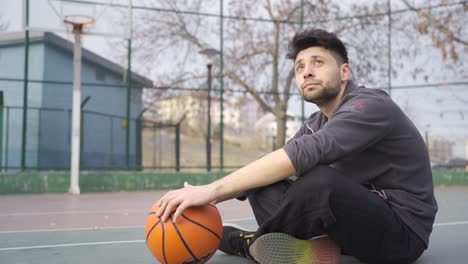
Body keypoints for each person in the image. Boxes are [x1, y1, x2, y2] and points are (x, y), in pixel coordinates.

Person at [155, 28, 438, 264]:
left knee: (321, 182)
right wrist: (209, 196)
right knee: (264, 181)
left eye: (318, 62)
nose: (306, 72)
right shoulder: (316, 121)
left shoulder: (371, 105)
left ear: (344, 72)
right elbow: (277, 163)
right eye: (300, 67)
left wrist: (211, 190)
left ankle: (254, 245)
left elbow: (302, 155)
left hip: (400, 234)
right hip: (349, 231)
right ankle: (309, 251)